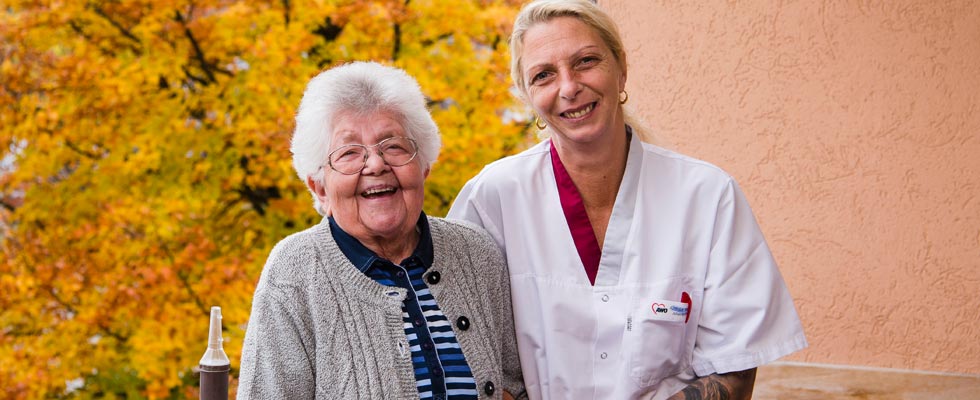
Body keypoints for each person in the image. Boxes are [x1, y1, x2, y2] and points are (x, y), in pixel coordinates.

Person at [447, 1, 807, 399]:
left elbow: (734, 367)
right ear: (527, 94)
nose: (568, 88)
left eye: (586, 61)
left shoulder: (707, 196)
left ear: (621, 68)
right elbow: (465, 354)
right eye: (544, 75)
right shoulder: (491, 199)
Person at [237, 61, 525, 400]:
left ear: (424, 167)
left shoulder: (476, 251)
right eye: (348, 153)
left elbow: (514, 386)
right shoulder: (295, 271)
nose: (375, 164)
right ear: (320, 188)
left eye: (393, 146)